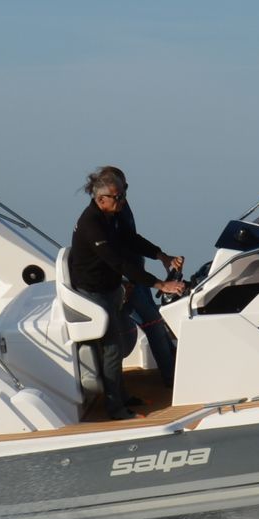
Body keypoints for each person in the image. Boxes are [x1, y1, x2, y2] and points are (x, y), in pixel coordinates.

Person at [67, 166, 186, 419]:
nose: (123, 200)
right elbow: (118, 262)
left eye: (124, 194)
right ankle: (117, 410)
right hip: (94, 292)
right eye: (118, 196)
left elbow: (131, 239)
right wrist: (160, 285)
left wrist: (161, 256)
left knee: (117, 345)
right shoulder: (92, 224)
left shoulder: (111, 216)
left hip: (111, 287)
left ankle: (122, 396)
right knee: (111, 348)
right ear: (102, 199)